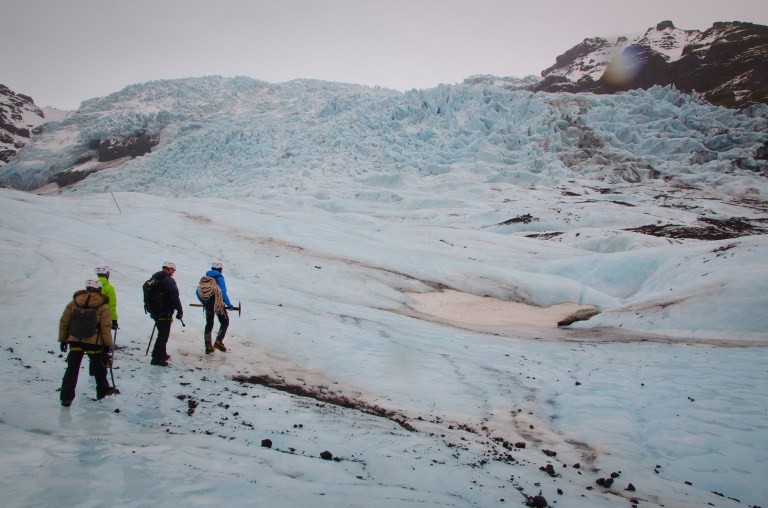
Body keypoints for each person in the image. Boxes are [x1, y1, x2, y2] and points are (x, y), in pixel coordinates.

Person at [58, 279, 117, 406]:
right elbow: (105, 327)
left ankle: (66, 398)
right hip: (94, 343)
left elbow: (64, 321)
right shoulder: (103, 305)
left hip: (75, 341)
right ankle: (102, 391)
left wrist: (63, 339)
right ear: (99, 289)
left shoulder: (74, 302)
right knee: (99, 368)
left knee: (72, 369)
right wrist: (108, 345)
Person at [148, 261, 183, 366]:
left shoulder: (153, 279)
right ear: (169, 269)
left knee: (161, 334)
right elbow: (174, 296)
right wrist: (180, 310)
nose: (173, 273)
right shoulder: (169, 280)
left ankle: (162, 354)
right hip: (165, 312)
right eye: (173, 271)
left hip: (155, 311)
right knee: (163, 336)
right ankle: (156, 358)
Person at [196, 261, 234, 354]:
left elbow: (198, 292)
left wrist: (204, 302)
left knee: (209, 324)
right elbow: (223, 293)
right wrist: (229, 305)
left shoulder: (205, 278)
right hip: (218, 304)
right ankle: (218, 342)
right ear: (220, 270)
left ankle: (208, 346)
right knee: (224, 322)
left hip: (208, 304)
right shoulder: (219, 278)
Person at [96, 264, 119, 331]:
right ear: (107, 274)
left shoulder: (91, 286)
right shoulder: (109, 288)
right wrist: (114, 320)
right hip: (103, 317)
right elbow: (111, 306)